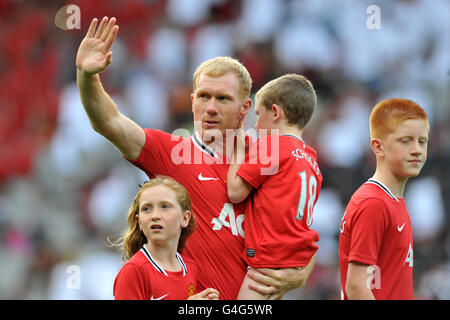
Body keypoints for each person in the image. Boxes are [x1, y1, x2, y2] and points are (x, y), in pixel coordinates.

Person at [76, 16, 315, 299]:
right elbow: (109, 121)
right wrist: (87, 76)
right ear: (192, 102)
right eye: (203, 96)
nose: (210, 108)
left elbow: (299, 233)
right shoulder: (172, 154)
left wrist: (301, 273)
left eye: (223, 99)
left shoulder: (271, 159)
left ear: (245, 107)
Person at [227, 74, 321, 299]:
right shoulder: (311, 160)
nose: (257, 125)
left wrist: (240, 151)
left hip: (267, 259)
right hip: (293, 259)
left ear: (276, 113)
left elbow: (235, 192)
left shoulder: (272, 146)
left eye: (259, 115)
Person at [339, 98, 429, 300]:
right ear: (378, 148)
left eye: (422, 141)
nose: (417, 149)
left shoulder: (392, 201)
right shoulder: (374, 203)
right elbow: (357, 287)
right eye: (405, 141)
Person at [113, 177, 219, 300]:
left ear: (185, 218)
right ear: (139, 222)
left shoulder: (191, 267)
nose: (155, 216)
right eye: (146, 208)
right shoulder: (133, 270)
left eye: (165, 206)